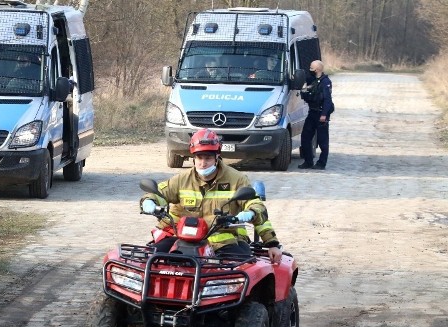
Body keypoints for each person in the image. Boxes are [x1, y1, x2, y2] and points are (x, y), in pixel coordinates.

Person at [140, 128, 283, 264]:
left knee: (242, 266)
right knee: (152, 259)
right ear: (193, 158)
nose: (203, 163)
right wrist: (149, 202)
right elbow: (158, 193)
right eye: (199, 157)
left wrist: (271, 243)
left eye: (208, 158)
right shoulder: (181, 179)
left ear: (217, 157)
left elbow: (257, 207)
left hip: (222, 239)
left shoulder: (237, 179)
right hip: (180, 236)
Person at [298, 60, 334, 170]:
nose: (310, 71)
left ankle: (321, 163)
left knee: (323, 140)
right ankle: (308, 161)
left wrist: (324, 115)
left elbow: (327, 100)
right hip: (312, 112)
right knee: (305, 137)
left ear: (317, 70)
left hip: (321, 113)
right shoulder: (312, 80)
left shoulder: (325, 82)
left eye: (312, 69)